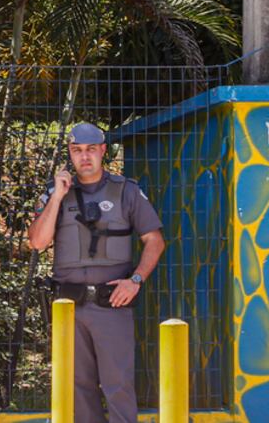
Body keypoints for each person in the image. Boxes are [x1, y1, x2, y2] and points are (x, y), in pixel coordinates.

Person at [28, 123, 166, 423]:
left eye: (91, 149)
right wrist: (55, 197)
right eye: (77, 151)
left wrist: (136, 281)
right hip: (70, 307)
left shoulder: (126, 190)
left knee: (118, 385)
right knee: (77, 387)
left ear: (103, 151)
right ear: (70, 154)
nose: (85, 157)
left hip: (111, 304)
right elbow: (37, 241)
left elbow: (154, 241)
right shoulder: (56, 194)